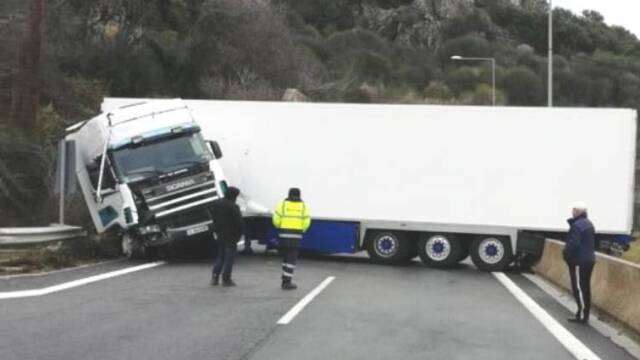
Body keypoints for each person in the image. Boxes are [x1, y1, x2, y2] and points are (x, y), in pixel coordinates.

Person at [563, 202, 596, 324]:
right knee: (586, 287)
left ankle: (582, 314)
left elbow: (574, 243)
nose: (572, 212)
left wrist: (566, 253)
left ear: (578, 212)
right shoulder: (589, 224)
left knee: (579, 287)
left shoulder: (577, 225)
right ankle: (585, 314)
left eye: (574, 210)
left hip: (579, 261)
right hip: (589, 259)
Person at [273, 188, 311, 290]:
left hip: (283, 234)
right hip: (296, 235)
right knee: (291, 258)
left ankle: (285, 276)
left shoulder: (282, 204)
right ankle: (287, 281)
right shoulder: (303, 206)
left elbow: (276, 220)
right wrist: (301, 229)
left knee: (285, 256)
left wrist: (280, 226)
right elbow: (306, 221)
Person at [210, 186, 243, 287]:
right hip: (231, 236)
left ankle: (215, 277)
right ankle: (226, 279)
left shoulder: (217, 204)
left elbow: (213, 218)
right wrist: (239, 235)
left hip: (220, 234)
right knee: (229, 258)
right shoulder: (233, 206)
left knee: (220, 256)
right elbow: (239, 223)